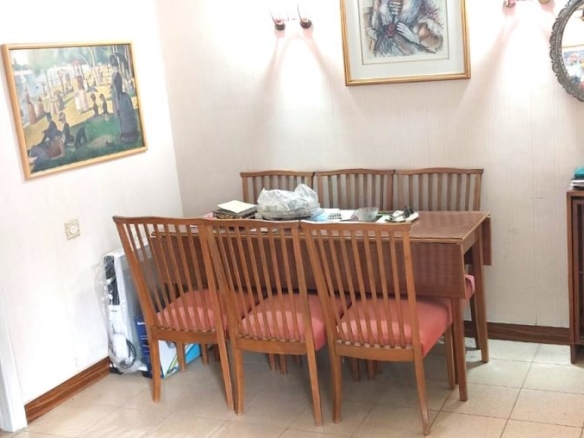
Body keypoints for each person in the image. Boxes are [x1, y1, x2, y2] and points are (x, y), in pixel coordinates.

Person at [366, 0, 444, 57]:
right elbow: (375, 26)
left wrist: (415, 38)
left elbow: (438, 36)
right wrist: (376, 10)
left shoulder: (423, 2)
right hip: (383, 48)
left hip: (409, 51)